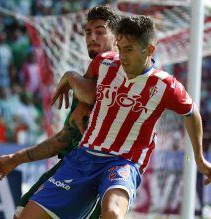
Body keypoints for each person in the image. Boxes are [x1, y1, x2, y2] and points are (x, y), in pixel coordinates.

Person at [18, 15, 211, 219]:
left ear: (150, 50)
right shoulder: (104, 62)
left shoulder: (166, 86)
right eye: (120, 48)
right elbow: (88, 81)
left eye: (129, 49)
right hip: (85, 156)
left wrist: (199, 158)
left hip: (123, 162)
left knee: (112, 213)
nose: (123, 56)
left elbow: (191, 113)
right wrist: (78, 97)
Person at [0, 5, 121, 219]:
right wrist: (16, 158)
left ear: (117, 38)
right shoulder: (85, 82)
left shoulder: (124, 74)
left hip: (99, 172)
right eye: (88, 32)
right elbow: (63, 139)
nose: (92, 38)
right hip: (71, 165)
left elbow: (92, 96)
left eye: (100, 31)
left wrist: (70, 76)